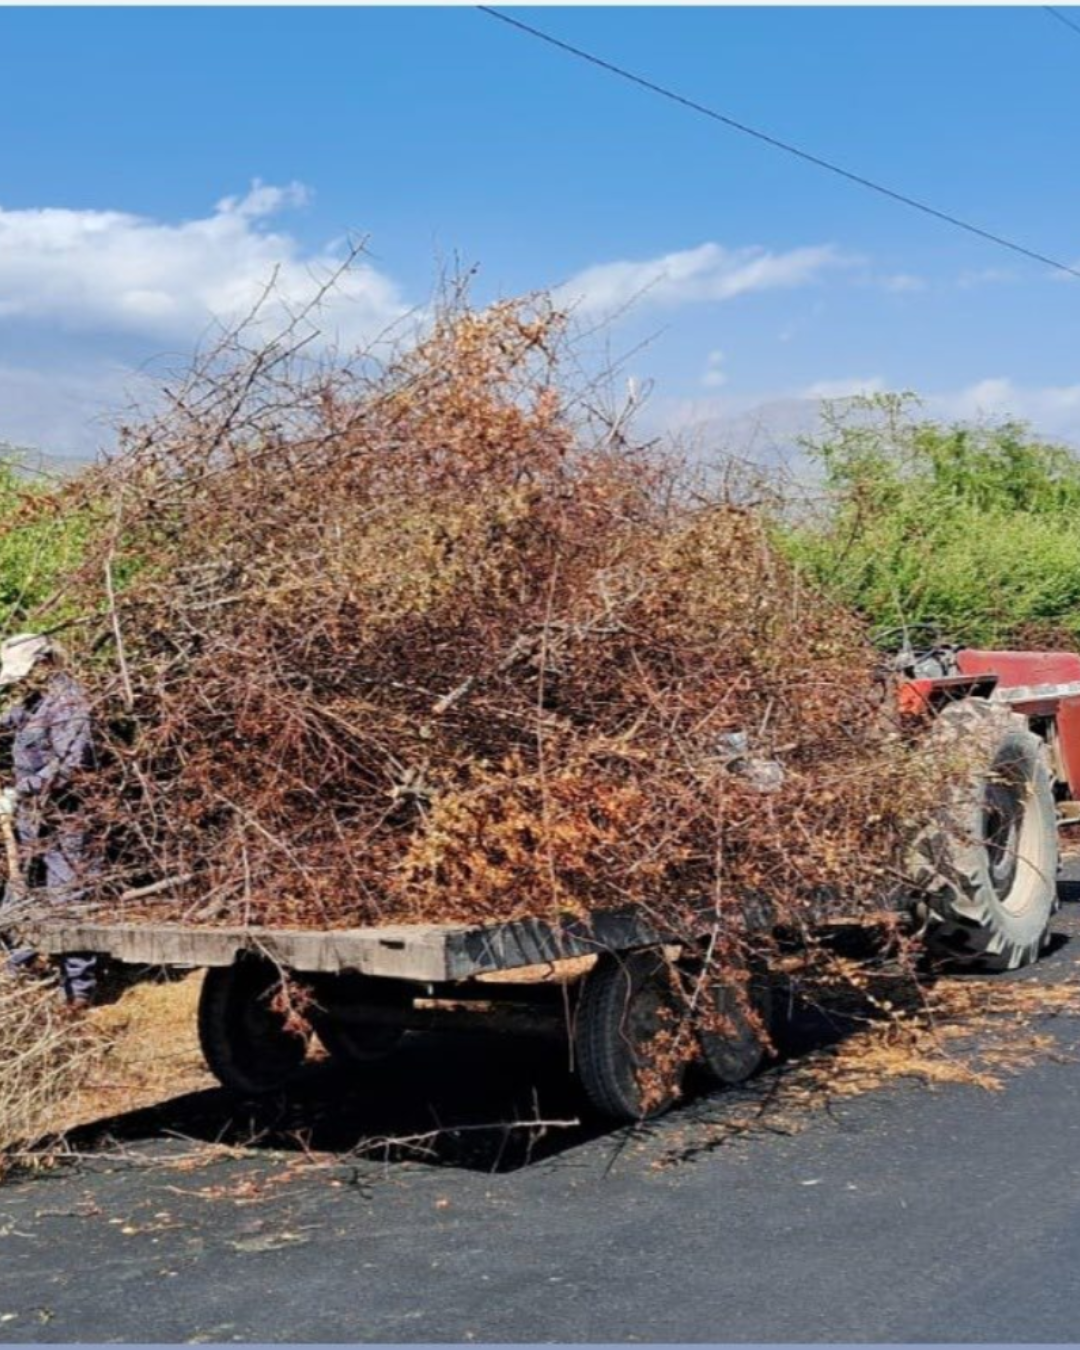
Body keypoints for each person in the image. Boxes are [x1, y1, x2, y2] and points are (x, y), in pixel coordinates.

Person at [0, 632, 97, 1007]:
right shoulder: (34, 700)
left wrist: (19, 790)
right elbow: (9, 724)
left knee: (65, 898)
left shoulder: (69, 701)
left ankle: (77, 993)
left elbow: (71, 766)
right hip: (32, 819)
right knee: (17, 897)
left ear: (43, 663)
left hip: (66, 819)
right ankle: (18, 974)